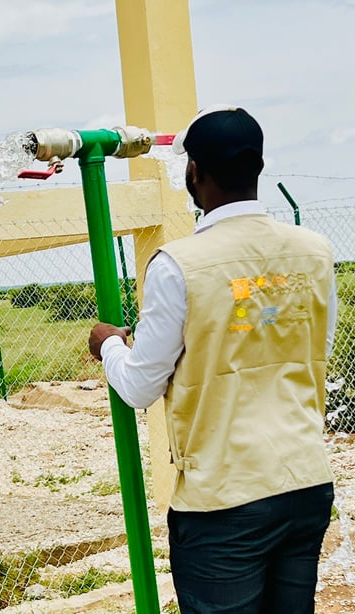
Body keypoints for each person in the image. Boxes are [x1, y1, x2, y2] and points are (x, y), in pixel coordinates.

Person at [88, 105, 337, 613]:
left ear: (194, 170)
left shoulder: (178, 265)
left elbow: (139, 387)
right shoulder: (314, 251)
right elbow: (316, 349)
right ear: (258, 166)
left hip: (224, 498)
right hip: (305, 480)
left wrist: (108, 344)